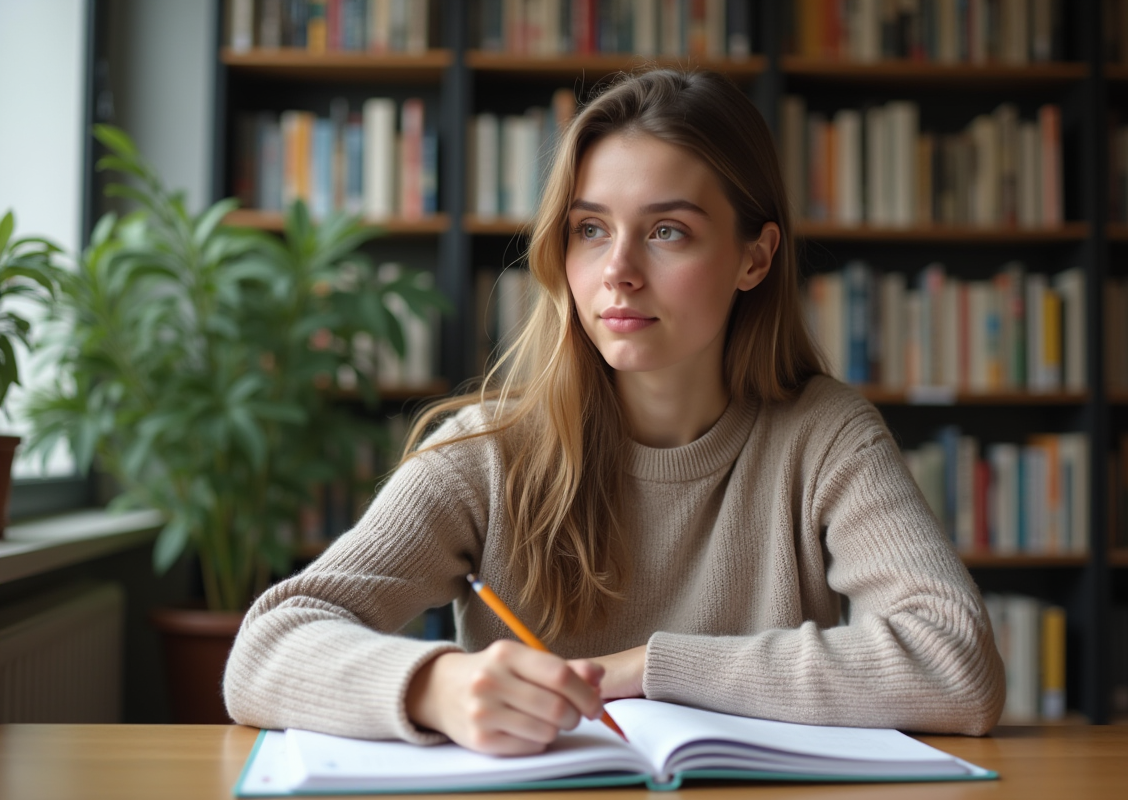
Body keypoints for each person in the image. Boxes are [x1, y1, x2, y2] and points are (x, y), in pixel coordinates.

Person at [223, 68, 1006, 754]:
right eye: (590, 230)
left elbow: (956, 664)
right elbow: (265, 650)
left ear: (755, 257)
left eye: (667, 231)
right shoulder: (486, 454)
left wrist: (643, 669)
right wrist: (435, 687)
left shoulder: (825, 436)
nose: (618, 272)